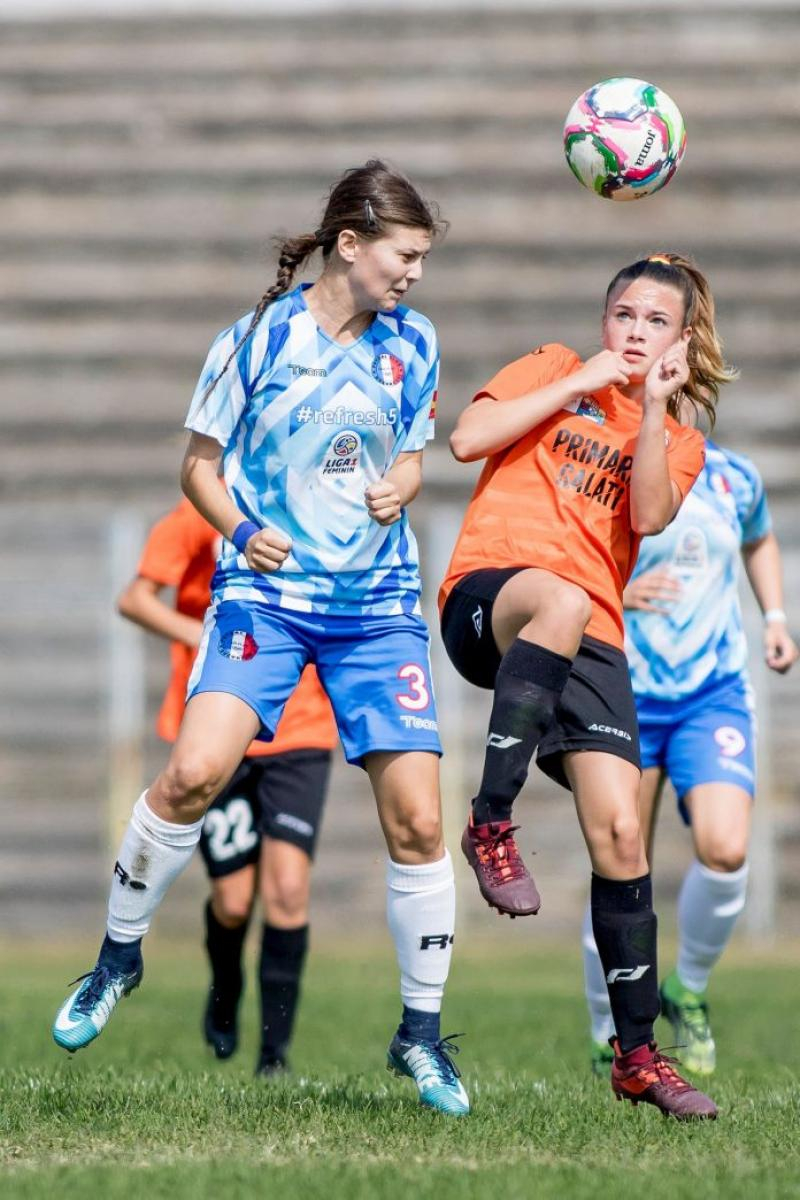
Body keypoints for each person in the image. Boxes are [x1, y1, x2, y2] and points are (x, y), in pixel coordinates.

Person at [53, 160, 469, 1117]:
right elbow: (199, 469)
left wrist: (399, 488)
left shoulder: (417, 343)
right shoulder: (252, 341)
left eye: (423, 260)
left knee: (417, 821)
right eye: (404, 256)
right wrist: (241, 531)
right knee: (194, 774)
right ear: (350, 243)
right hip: (267, 599)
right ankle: (117, 959)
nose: (413, 276)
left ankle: (419, 1036)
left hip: (374, 606)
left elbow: (410, 459)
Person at [439, 252, 733, 1120]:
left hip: (591, 635)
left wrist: (648, 408)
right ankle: (490, 823)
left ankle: (638, 1057)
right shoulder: (554, 368)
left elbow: (645, 516)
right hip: (493, 598)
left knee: (622, 837)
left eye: (653, 323)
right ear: (603, 320)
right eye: (623, 316)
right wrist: (590, 376)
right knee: (561, 597)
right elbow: (465, 441)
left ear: (680, 341)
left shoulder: (680, 439)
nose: (634, 333)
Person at [582, 439, 797, 1076]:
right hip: (625, 691)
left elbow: (760, 539)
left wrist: (776, 618)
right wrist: (615, 595)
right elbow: (568, 561)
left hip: (714, 692)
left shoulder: (735, 476)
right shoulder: (611, 468)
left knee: (727, 848)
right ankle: (606, 1029)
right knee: (621, 862)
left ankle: (688, 989)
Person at [117, 494, 337, 1075]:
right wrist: (215, 636)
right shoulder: (201, 516)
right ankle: (224, 988)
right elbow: (135, 599)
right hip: (219, 731)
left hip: (302, 729)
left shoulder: (324, 511)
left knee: (289, 890)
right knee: (234, 902)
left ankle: (275, 1055)